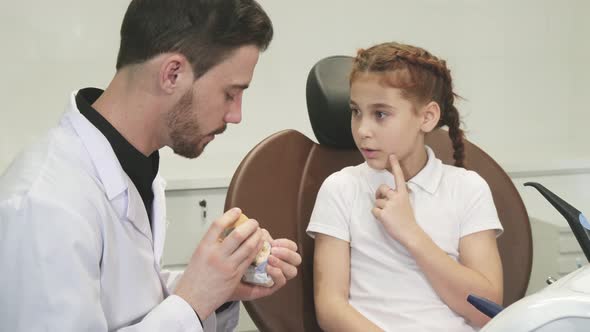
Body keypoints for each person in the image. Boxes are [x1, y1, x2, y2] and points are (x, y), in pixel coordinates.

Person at [0, 0, 301, 331]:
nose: (236, 115)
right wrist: (194, 300)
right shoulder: (44, 204)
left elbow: (131, 303)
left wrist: (220, 288)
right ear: (172, 73)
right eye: (230, 94)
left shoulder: (130, 167)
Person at [307, 42, 503, 331]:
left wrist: (411, 233)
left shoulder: (468, 189)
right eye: (356, 112)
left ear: (427, 117)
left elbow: (487, 311)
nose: (362, 130)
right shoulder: (340, 189)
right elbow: (330, 308)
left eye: (381, 114)